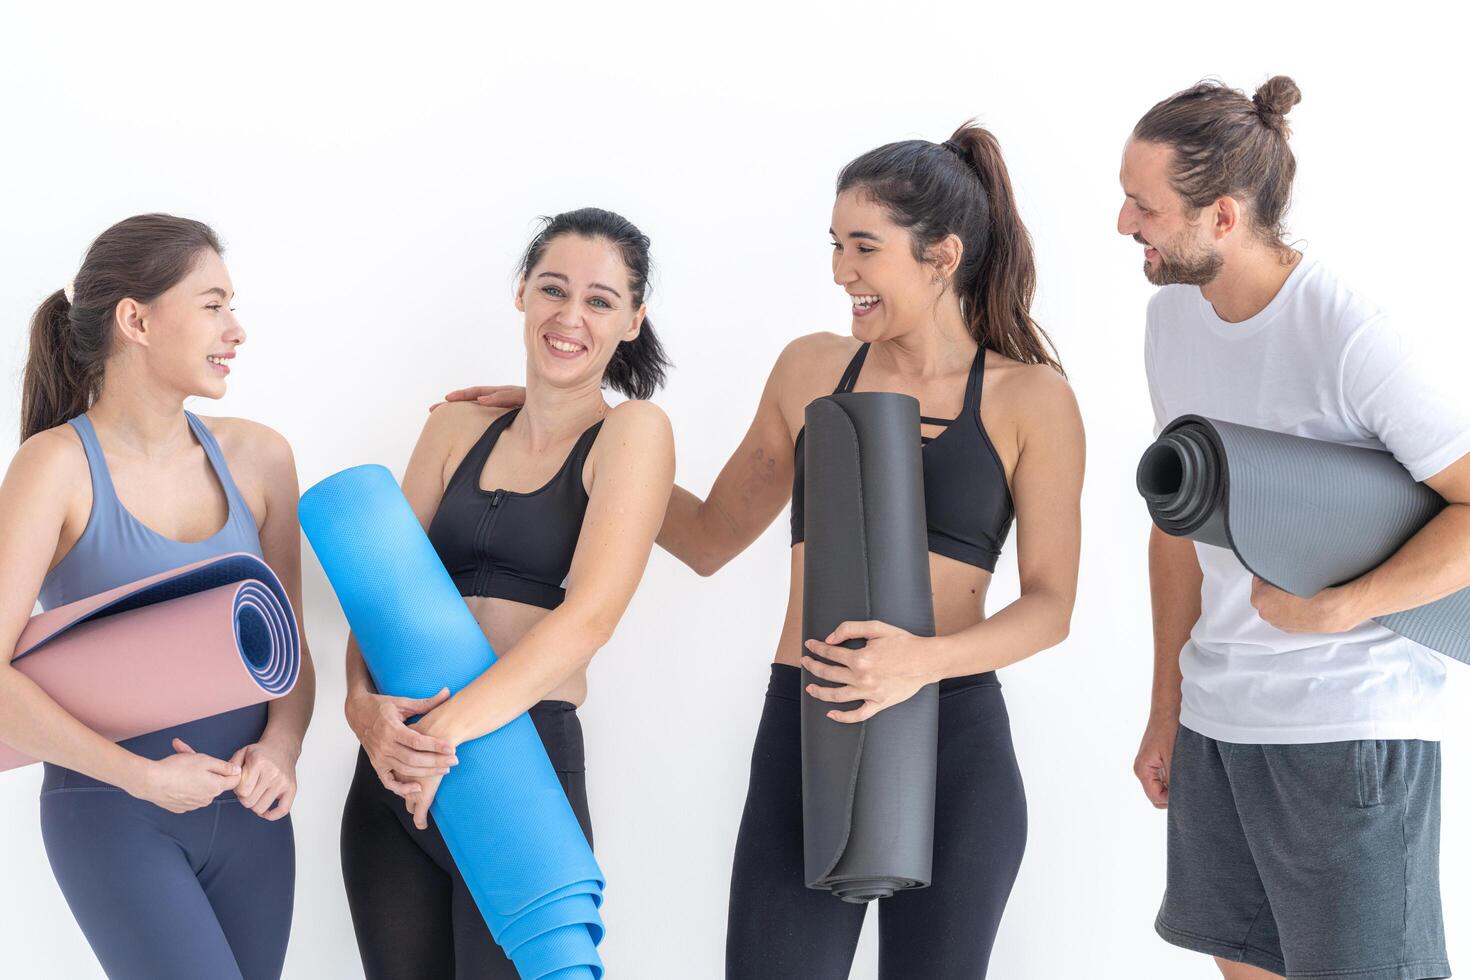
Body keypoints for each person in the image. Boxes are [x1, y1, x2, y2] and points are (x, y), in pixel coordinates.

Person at [448, 124, 1084, 979]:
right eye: (834, 245)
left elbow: (1051, 606)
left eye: (864, 248)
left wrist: (920, 662)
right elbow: (711, 538)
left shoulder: (1030, 398)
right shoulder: (812, 370)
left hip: (954, 732)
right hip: (807, 718)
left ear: (941, 255)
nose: (840, 271)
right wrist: (575, 422)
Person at [1121, 76, 1470, 980]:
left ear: (1224, 216)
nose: (1125, 224)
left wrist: (1345, 607)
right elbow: (1177, 531)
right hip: (1221, 722)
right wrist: (1169, 707)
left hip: (1347, 727)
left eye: (1145, 206)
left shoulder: (1348, 335)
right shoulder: (1170, 324)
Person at [340, 207, 676, 979]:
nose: (570, 315)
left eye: (600, 300)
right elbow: (380, 590)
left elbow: (589, 619)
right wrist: (360, 707)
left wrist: (442, 737)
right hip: (395, 763)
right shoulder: (455, 426)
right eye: (553, 289)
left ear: (633, 320)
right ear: (522, 293)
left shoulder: (635, 434)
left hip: (515, 760)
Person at [0, 214, 316, 980]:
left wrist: (282, 748)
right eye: (212, 305)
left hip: (252, 819)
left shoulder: (260, 458)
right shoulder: (55, 468)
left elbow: (292, 653)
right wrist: (141, 778)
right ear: (135, 319)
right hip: (113, 813)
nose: (235, 329)